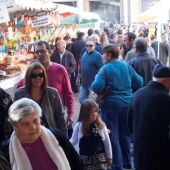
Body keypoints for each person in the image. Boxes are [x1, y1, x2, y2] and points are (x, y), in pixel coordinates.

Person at [91, 44, 143, 170]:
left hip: (111, 106)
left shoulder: (105, 69)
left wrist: (97, 78)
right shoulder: (126, 66)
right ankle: (127, 162)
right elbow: (140, 82)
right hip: (128, 104)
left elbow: (96, 87)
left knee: (112, 135)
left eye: (103, 54)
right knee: (125, 134)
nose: (102, 56)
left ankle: (117, 165)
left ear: (109, 55)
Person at [17, 41, 74, 128]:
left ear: (50, 52)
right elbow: (21, 89)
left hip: (55, 117)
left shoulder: (60, 70)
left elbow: (68, 93)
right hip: (34, 123)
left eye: (42, 51)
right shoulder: (31, 73)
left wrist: (70, 114)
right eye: (37, 52)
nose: (40, 54)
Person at [128, 64, 170, 170]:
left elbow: (129, 124)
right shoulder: (165, 99)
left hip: (139, 153)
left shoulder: (137, 94)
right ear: (165, 81)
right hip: (160, 155)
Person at [8, 98, 70, 170]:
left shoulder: (57, 137)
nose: (33, 127)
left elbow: (77, 163)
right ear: (15, 126)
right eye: (25, 124)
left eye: (35, 121)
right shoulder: (7, 152)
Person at [14, 61, 67, 135]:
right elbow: (17, 119)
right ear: (29, 77)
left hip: (50, 136)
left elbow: (60, 117)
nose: (38, 78)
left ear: (44, 76)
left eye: (41, 75)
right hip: (29, 136)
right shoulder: (19, 94)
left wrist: (64, 140)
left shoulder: (53, 93)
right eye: (34, 75)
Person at [70, 99, 112, 170]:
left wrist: (109, 156)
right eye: (90, 112)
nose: (94, 114)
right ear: (84, 113)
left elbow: (107, 142)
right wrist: (63, 145)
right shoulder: (79, 125)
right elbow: (73, 141)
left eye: (95, 111)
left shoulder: (101, 125)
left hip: (100, 159)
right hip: (85, 160)